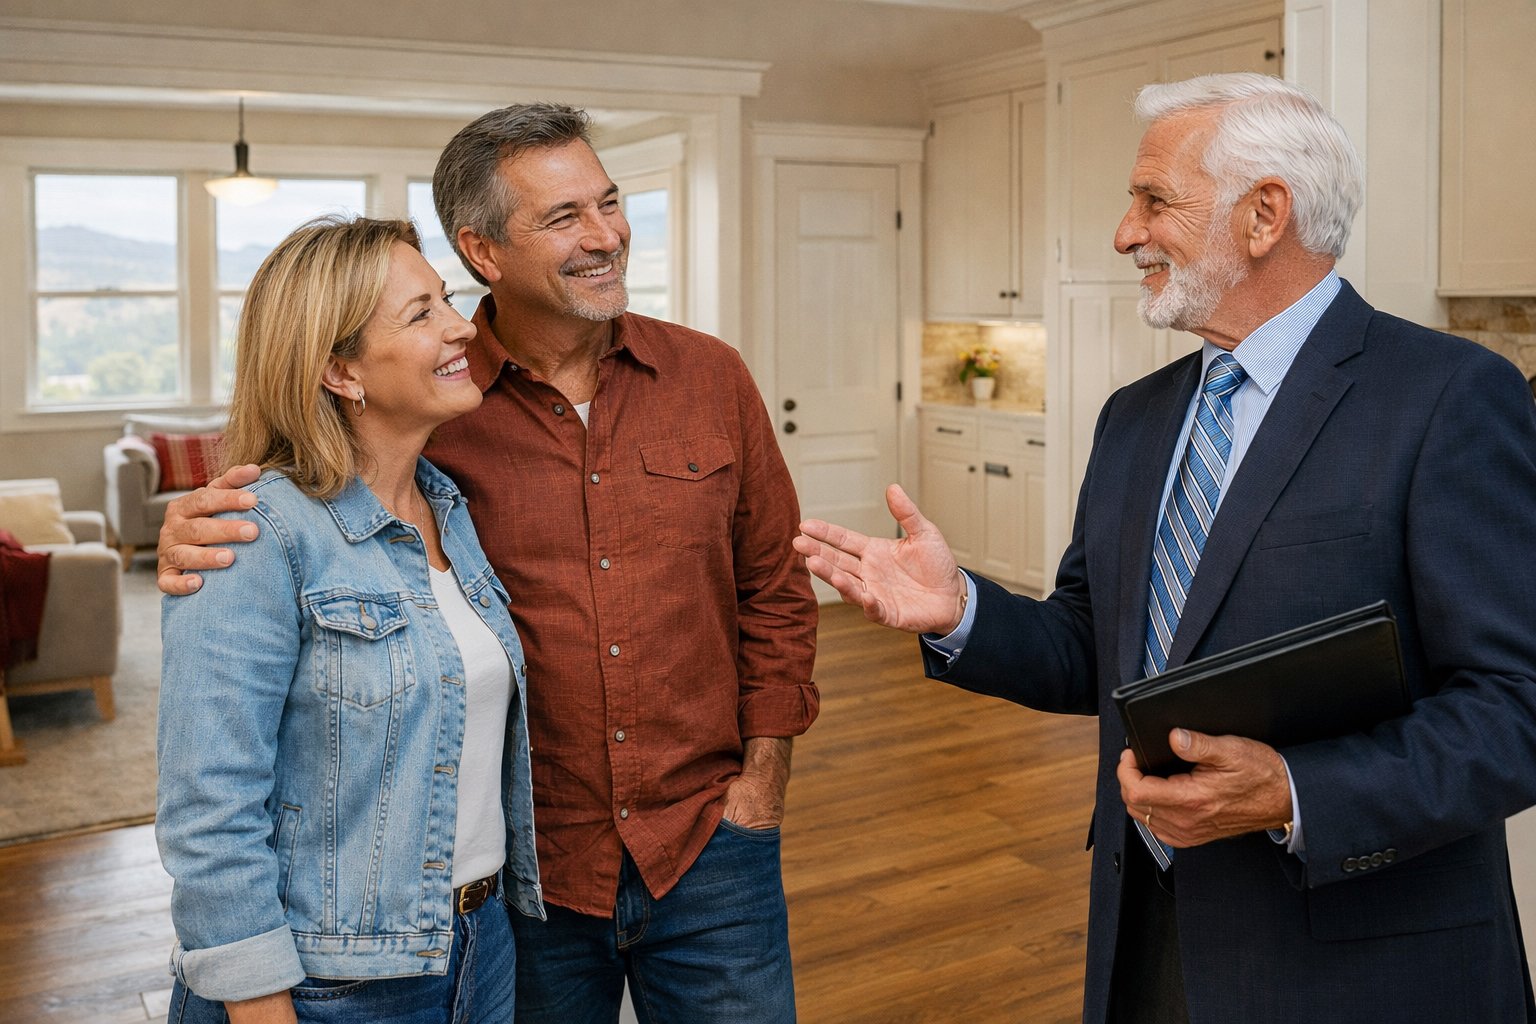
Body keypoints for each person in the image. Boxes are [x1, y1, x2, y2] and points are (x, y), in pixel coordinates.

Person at [796, 73, 1536, 1023]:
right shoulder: (1135, 420)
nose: (1124, 233)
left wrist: (1296, 791)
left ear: (1265, 214)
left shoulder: (1447, 396)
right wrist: (961, 611)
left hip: (1362, 962)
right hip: (1146, 927)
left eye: (1153, 201)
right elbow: (1096, 648)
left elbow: (1516, 705)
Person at [157, 104, 819, 1023]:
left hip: (707, 847)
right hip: (522, 882)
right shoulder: (428, 428)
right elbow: (214, 789)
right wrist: (199, 528)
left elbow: (775, 592)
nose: (606, 237)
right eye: (562, 218)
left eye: (611, 203)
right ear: (482, 251)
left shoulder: (706, 380)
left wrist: (762, 784)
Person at [155, 216, 543, 1024]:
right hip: (329, 985)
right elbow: (210, 809)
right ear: (340, 370)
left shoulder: (449, 508)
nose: (462, 325)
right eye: (421, 313)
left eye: (445, 298)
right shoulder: (255, 533)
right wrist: (260, 1005)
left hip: (479, 947)